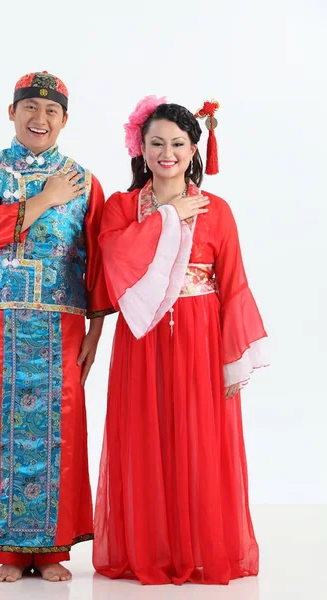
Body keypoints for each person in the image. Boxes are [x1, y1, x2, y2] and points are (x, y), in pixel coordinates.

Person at [93, 96, 269, 585]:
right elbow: (114, 261)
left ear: (194, 149)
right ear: (140, 149)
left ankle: (197, 548)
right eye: (156, 143)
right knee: (144, 436)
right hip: (141, 336)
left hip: (199, 335)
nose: (166, 152)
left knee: (198, 439)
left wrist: (233, 358)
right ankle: (148, 548)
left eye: (178, 143)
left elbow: (233, 285)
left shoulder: (219, 211)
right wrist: (167, 214)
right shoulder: (123, 207)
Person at [0, 71, 113, 584]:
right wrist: (43, 198)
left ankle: (51, 548)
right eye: (29, 108)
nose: (39, 119)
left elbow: (97, 261)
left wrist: (95, 330)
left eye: (51, 112)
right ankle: (8, 549)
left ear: (65, 120)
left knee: (59, 431)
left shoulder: (87, 182)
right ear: (11, 112)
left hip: (60, 323)